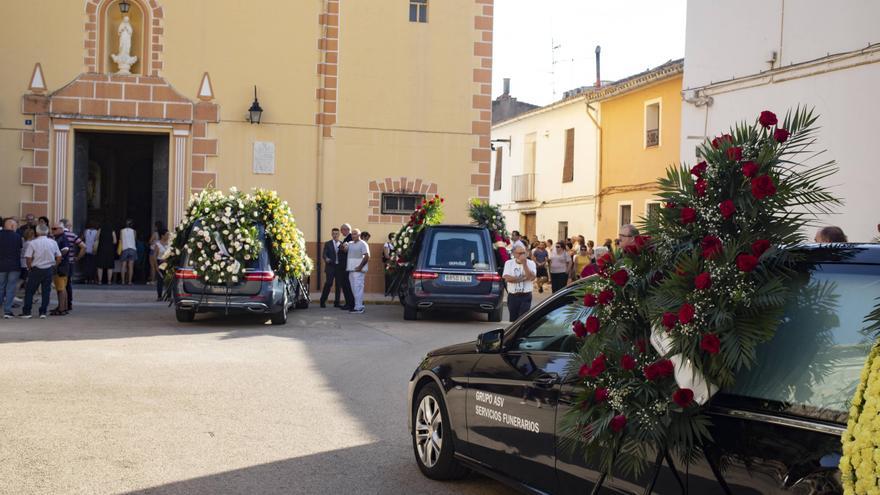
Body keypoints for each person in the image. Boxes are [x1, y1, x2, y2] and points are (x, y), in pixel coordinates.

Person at [20, 224, 61, 319]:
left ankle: (27, 312)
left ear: (37, 232)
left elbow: (28, 258)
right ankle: (43, 312)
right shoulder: (53, 242)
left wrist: (30, 268)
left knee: (30, 291)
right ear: (47, 232)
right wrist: (54, 265)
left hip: (36, 269)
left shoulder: (33, 243)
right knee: (46, 291)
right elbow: (59, 256)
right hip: (48, 269)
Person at [503, 244, 536, 322]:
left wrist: (524, 264)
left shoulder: (531, 263)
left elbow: (531, 277)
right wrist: (524, 278)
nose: (522, 255)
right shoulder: (509, 263)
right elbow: (507, 278)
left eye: (523, 253)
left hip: (525, 296)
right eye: (519, 253)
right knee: (513, 319)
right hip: (513, 296)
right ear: (514, 254)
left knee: (523, 319)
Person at [60, 219, 85, 311]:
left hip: (60, 262)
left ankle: (62, 305)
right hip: (70, 262)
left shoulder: (58, 235)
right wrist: (77, 258)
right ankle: (68, 304)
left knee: (61, 284)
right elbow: (83, 246)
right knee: (68, 284)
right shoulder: (72, 235)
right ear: (68, 226)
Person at [0, 218, 22, 318]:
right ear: (12, 226)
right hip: (14, 266)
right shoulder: (17, 236)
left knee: (0, 288)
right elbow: (20, 250)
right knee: (10, 288)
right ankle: (7, 311)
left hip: (1, 266)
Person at [346, 228, 370, 314]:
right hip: (351, 270)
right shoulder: (350, 243)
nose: (353, 235)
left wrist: (360, 267)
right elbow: (344, 249)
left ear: (359, 235)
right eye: (352, 234)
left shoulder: (363, 244)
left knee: (358, 289)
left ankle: (359, 308)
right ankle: (358, 306)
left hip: (359, 271)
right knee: (354, 289)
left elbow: (367, 256)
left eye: (355, 234)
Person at [50, 223, 72, 316]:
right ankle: (63, 307)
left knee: (61, 288)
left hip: (61, 266)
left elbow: (66, 249)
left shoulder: (62, 238)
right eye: (52, 228)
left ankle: (62, 309)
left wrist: (57, 257)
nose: (52, 230)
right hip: (63, 265)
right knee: (62, 287)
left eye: (54, 228)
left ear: (61, 229)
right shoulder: (59, 237)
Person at [319, 227, 343, 308]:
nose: (335, 235)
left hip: (339, 268)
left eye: (336, 234)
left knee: (338, 285)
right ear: (331, 234)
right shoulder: (327, 243)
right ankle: (322, 301)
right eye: (333, 234)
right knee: (329, 283)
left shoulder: (342, 243)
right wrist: (326, 258)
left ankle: (337, 302)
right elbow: (324, 254)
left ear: (339, 234)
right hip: (330, 267)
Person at [337, 223, 355, 310]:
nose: (341, 232)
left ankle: (350, 304)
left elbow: (347, 250)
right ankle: (348, 303)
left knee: (347, 286)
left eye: (342, 230)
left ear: (346, 230)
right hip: (344, 266)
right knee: (345, 285)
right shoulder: (347, 238)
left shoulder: (350, 238)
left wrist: (341, 247)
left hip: (346, 266)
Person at [152, 229, 170, 301]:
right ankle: (159, 296)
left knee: (168, 280)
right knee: (160, 280)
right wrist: (156, 266)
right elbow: (154, 256)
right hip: (161, 263)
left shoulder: (169, 244)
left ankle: (169, 295)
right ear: (162, 236)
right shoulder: (158, 244)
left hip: (168, 263)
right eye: (167, 234)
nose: (168, 236)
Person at [119, 219, 137, 285]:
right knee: (131, 266)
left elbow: (120, 239)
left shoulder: (122, 231)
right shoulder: (134, 231)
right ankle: (129, 281)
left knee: (123, 265)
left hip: (124, 248)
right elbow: (134, 239)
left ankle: (123, 281)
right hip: (132, 248)